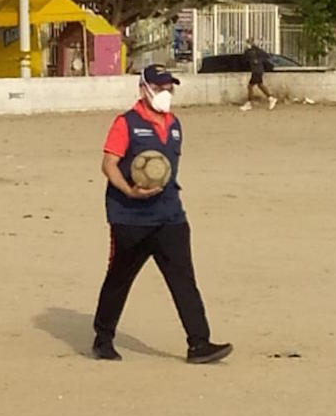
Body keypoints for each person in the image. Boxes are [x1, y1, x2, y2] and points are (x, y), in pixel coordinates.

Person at [93, 64, 233, 364]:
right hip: (129, 218)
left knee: (183, 280)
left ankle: (199, 343)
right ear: (144, 89)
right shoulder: (126, 123)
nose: (165, 94)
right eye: (159, 88)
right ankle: (103, 338)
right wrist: (129, 191)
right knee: (119, 278)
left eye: (169, 88)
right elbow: (109, 164)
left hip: (170, 216)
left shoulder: (175, 125)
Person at [240, 38, 277, 111]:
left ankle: (249, 103)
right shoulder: (257, 50)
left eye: (247, 43)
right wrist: (259, 60)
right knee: (260, 85)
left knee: (250, 86)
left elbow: (244, 59)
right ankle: (271, 98)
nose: (246, 45)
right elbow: (267, 56)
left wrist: (257, 60)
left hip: (256, 71)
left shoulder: (250, 51)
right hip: (259, 70)